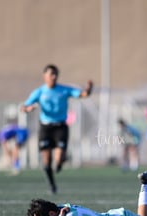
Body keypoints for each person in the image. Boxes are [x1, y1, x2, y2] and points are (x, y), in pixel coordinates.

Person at [21, 64, 93, 194]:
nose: (54, 77)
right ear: (45, 76)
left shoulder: (64, 90)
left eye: (55, 74)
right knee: (46, 160)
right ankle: (52, 185)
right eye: (51, 74)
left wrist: (88, 89)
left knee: (59, 159)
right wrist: (28, 109)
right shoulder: (39, 92)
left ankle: (59, 164)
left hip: (60, 127)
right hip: (46, 127)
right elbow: (24, 106)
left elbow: (82, 94)